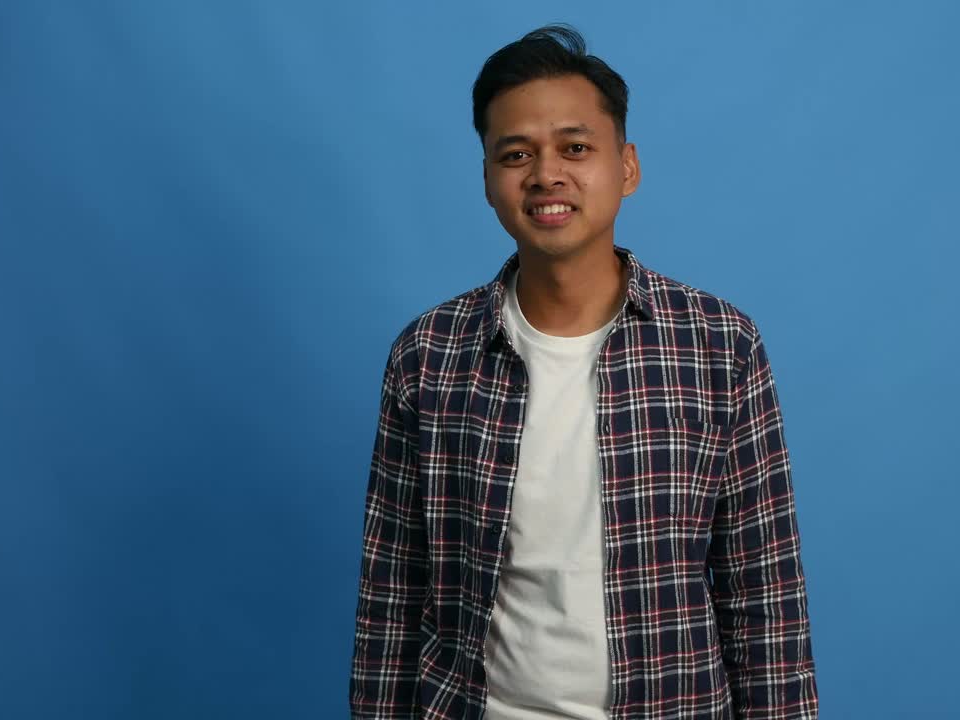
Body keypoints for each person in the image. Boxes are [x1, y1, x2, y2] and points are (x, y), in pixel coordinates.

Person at [350, 24, 817, 719]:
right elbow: (393, 591)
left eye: (575, 147)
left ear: (626, 166)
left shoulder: (720, 346)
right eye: (516, 154)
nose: (546, 174)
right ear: (486, 178)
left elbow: (765, 591)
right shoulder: (429, 356)